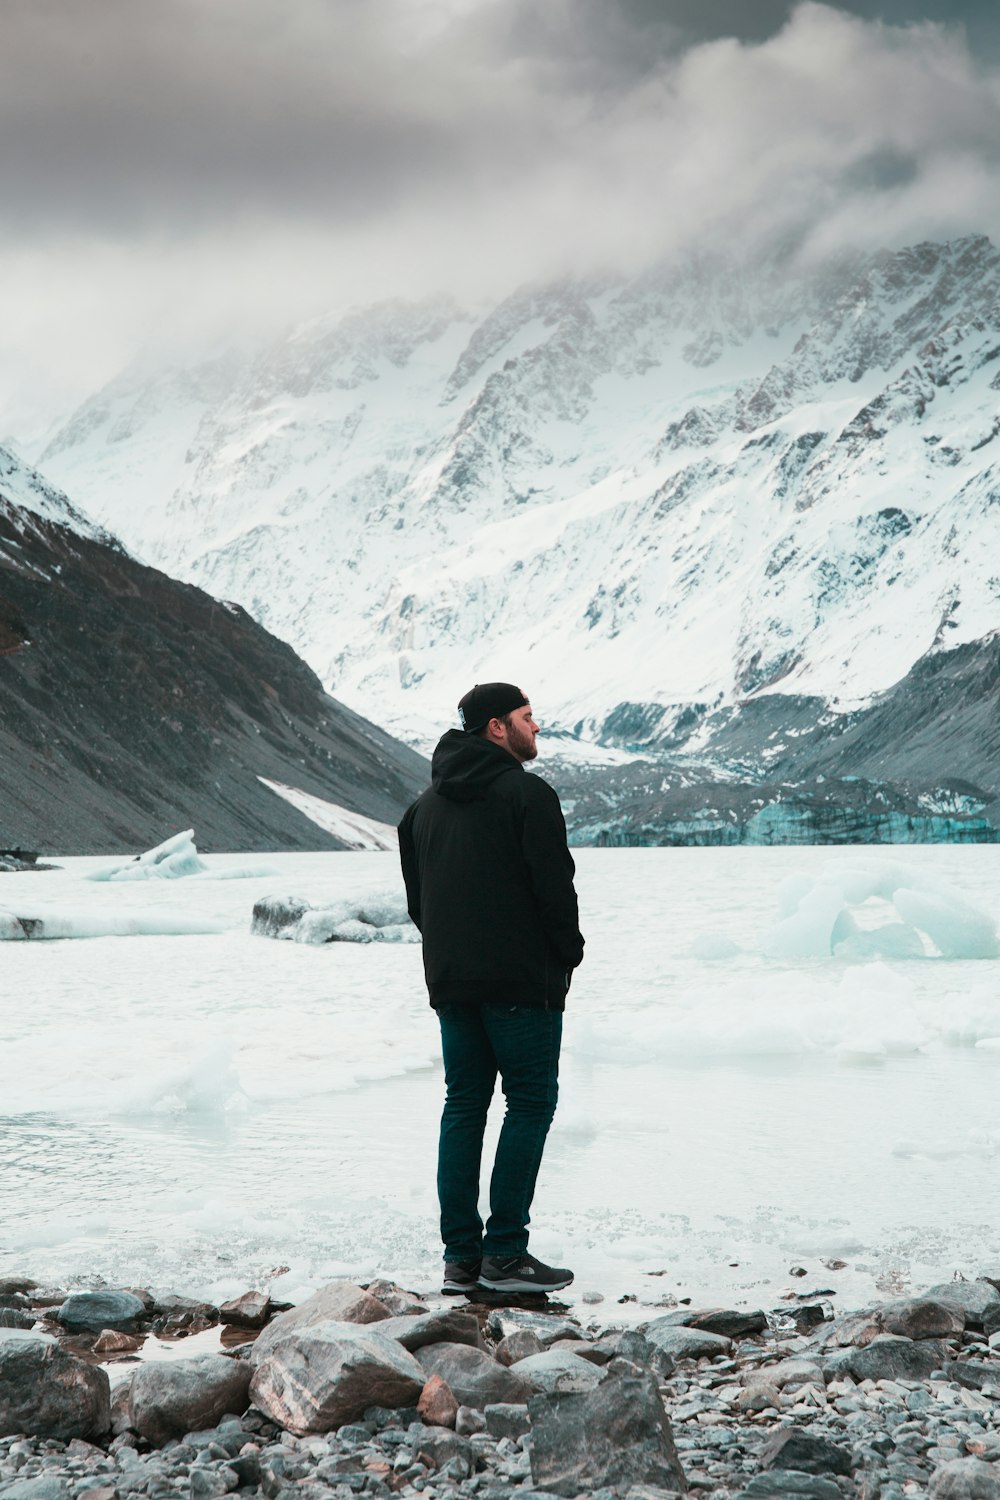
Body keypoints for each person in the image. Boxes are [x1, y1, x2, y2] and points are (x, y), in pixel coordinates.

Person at [398, 682, 585, 1296]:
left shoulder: (421, 809)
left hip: (452, 983)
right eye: (529, 717)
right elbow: (554, 887)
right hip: (521, 983)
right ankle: (505, 1254)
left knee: (464, 1105)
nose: (538, 727)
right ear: (497, 728)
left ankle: (461, 1260)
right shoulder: (528, 795)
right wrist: (567, 953)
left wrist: (455, 958)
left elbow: (419, 904)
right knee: (530, 1102)